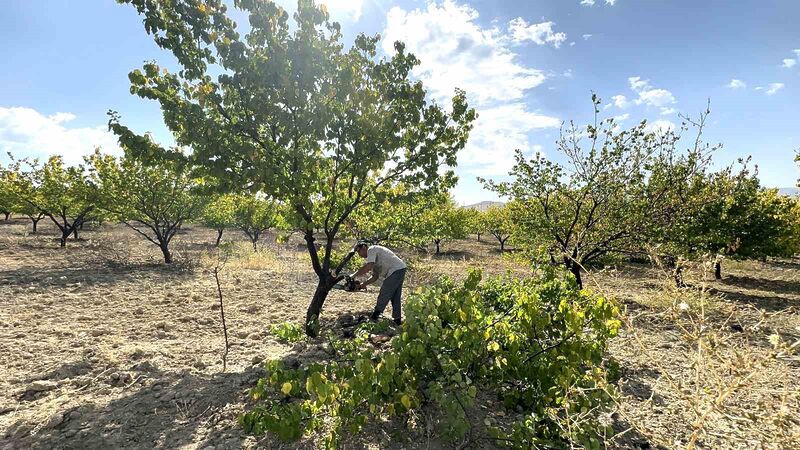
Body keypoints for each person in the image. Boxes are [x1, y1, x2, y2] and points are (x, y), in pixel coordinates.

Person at [350, 241, 407, 325]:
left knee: (384, 292)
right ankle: (397, 319)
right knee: (395, 296)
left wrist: (353, 275)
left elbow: (368, 267)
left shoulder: (372, 250)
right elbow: (375, 276)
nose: (359, 255)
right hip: (400, 269)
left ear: (364, 247)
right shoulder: (372, 259)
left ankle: (375, 315)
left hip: (395, 270)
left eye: (359, 251)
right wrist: (363, 285)